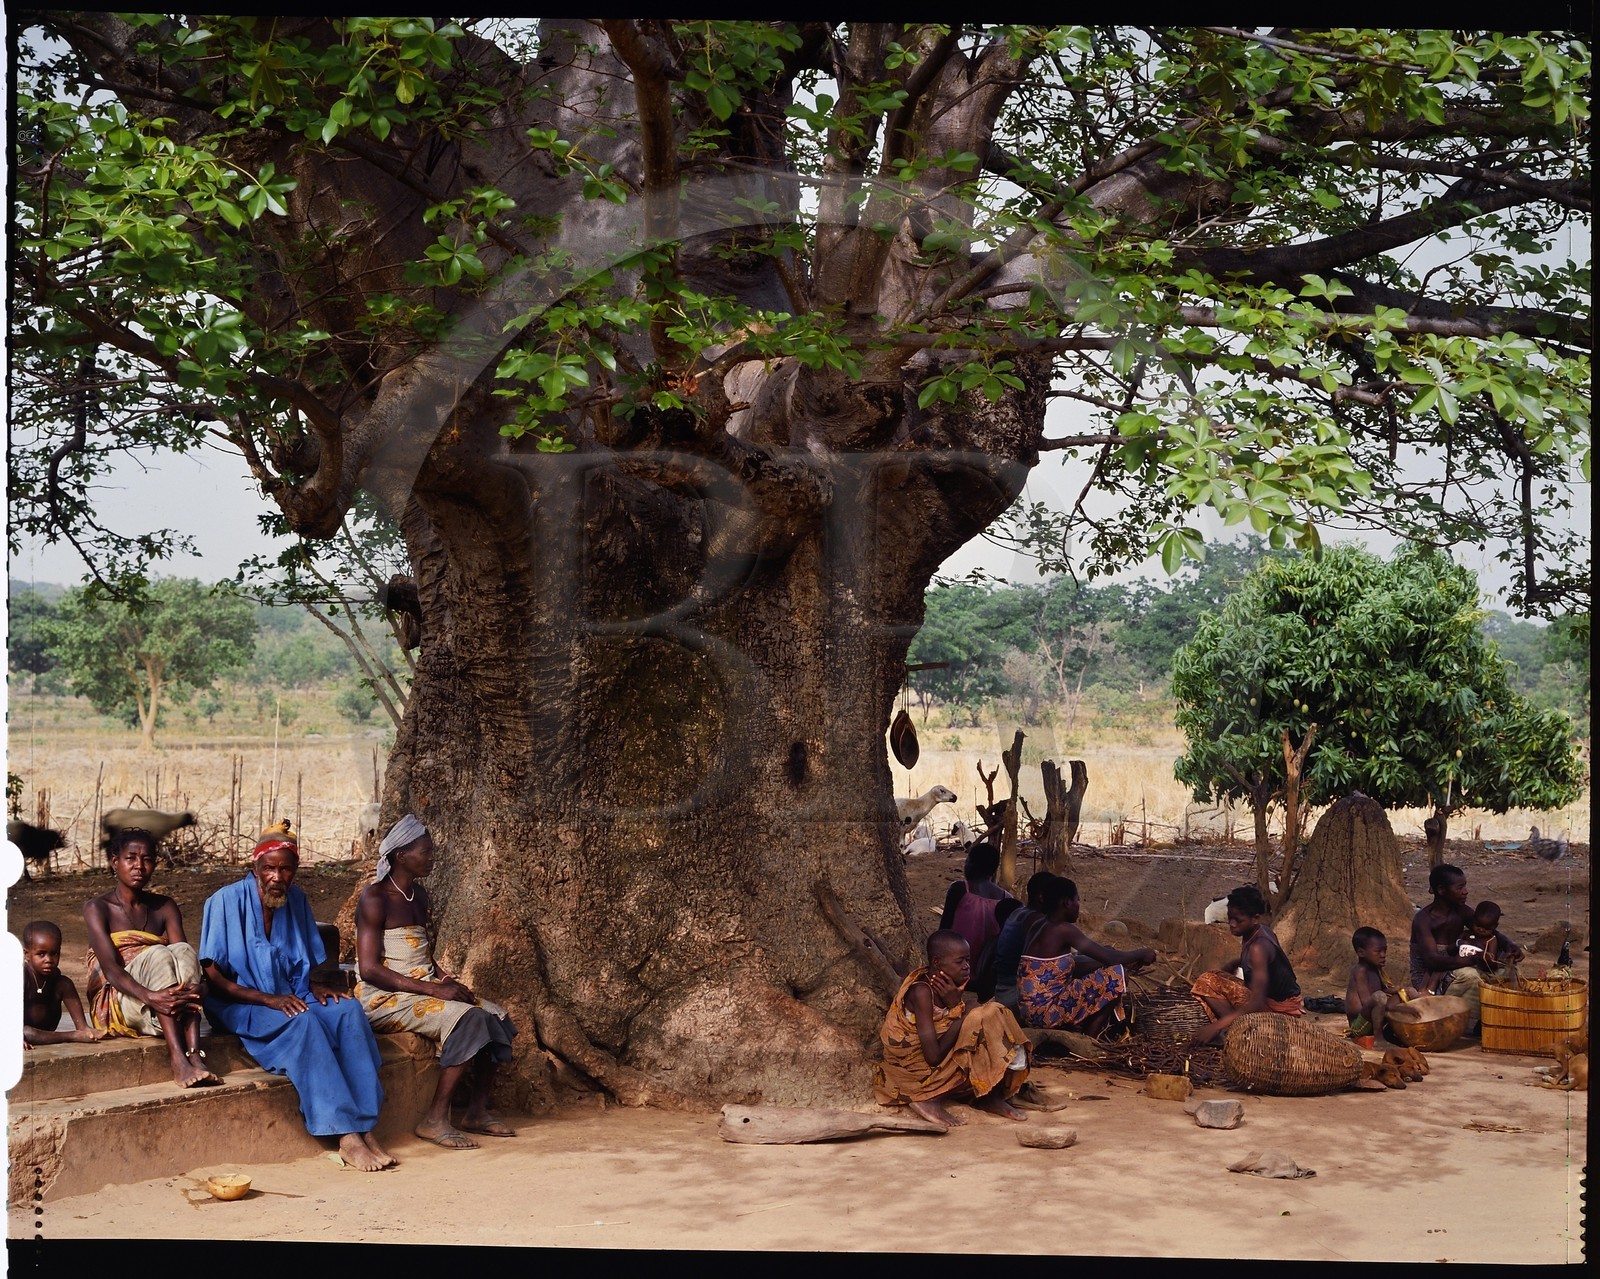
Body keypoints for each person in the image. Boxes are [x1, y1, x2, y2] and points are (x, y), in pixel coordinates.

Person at [200, 829, 394, 1172]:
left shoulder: (297, 900)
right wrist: (268, 999)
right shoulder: (224, 902)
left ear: (295, 870)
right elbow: (214, 978)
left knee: (348, 1010)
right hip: (240, 1002)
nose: (277, 877)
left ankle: (365, 1124)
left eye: (286, 869)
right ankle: (346, 1136)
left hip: (291, 994)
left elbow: (306, 961)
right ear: (255, 866)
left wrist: (315, 987)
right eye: (270, 869)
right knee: (303, 1023)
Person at [356, 814, 518, 1149]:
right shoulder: (375, 898)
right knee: (470, 1019)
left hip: (421, 988)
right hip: (385, 997)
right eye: (425, 852)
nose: (431, 858)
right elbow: (369, 969)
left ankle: (475, 1111)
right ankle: (434, 1119)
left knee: (496, 1016)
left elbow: (422, 954)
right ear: (401, 856)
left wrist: (444, 978)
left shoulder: (420, 896)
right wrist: (432, 988)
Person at [84, 828, 218, 1086]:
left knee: (183, 950)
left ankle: (194, 1054)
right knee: (157, 952)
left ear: (155, 863)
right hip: (125, 1001)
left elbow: (184, 961)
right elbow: (111, 971)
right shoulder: (97, 908)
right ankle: (178, 1059)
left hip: (172, 1005)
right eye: (130, 858)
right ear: (115, 862)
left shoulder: (164, 906)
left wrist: (201, 987)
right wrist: (151, 997)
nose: (139, 866)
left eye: (146, 859)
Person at [871, 930, 1031, 1128]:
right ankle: (929, 1100)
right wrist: (963, 1015)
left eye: (968, 960)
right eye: (960, 961)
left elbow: (955, 1026)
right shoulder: (922, 992)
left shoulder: (949, 990)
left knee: (993, 1014)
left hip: (938, 1062)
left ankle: (991, 1096)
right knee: (987, 1014)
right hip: (918, 1069)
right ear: (937, 963)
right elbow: (933, 1056)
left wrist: (957, 1006)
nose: (966, 967)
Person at [1016, 876, 1155, 1035]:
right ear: (1067, 902)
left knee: (1103, 964)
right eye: (1078, 900)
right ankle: (1090, 1036)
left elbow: (1064, 965)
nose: (1078, 906)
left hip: (1030, 1012)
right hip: (1044, 1013)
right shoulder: (1062, 929)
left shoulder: (1038, 924)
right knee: (1118, 974)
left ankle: (1081, 1028)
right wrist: (1142, 952)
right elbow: (1111, 959)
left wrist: (1108, 956)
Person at [1188, 884, 1302, 1045]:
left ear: (1255, 918)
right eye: (1230, 918)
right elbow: (1272, 964)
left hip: (1279, 1010)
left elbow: (1256, 1002)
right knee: (1215, 975)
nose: (1232, 924)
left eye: (1238, 920)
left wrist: (1217, 1026)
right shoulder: (1261, 930)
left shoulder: (1258, 948)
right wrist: (1236, 963)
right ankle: (1237, 1026)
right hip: (1282, 1000)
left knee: (1206, 981)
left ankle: (1237, 1032)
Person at [1408, 863, 1485, 1031]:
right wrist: (1467, 960)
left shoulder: (1462, 911)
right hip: (1428, 980)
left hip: (1450, 968)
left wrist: (1509, 946)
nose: (1466, 891)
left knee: (1503, 971)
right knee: (1471, 975)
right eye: (1460, 887)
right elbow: (1432, 961)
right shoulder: (1424, 919)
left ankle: (1474, 1023)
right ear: (1442, 890)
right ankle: (1437, 1015)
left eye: (1465, 886)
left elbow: (1485, 927)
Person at [938, 842, 1017, 997]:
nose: (965, 864)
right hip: (986, 975)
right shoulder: (1006, 899)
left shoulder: (959, 890)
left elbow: (943, 931)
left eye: (967, 860)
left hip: (954, 972)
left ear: (971, 864)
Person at [22, 920, 106, 1047]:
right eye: (41, 954)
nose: (49, 960)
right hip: (23, 1031)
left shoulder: (56, 977)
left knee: (65, 983)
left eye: (54, 954)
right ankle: (73, 1035)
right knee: (26, 1032)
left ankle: (83, 1028)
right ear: (27, 954)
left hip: (47, 1030)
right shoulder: (21, 976)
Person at [991, 872, 1059, 1011]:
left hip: (1002, 989)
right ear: (1041, 897)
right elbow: (1058, 965)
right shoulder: (1037, 921)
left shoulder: (1019, 913)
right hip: (1015, 995)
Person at [1344, 927, 1416, 1047]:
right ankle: (1379, 1039)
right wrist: (1399, 1009)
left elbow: (1382, 990)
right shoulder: (1360, 971)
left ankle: (1420, 1026)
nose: (1383, 955)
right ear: (1361, 952)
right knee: (1380, 997)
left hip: (1376, 1015)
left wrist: (1396, 990)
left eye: (1384, 950)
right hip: (1360, 1025)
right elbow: (1370, 1000)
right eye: (1378, 951)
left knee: (1409, 991)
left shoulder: (1376, 968)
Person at [1458, 901, 1525, 978]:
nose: (1481, 930)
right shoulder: (1465, 934)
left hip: (1482, 969)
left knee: (1509, 971)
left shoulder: (1491, 940)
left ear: (1495, 926)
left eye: (1486, 928)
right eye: (1478, 926)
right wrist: (1458, 943)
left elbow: (1492, 963)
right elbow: (1452, 949)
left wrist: (1485, 958)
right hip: (1462, 965)